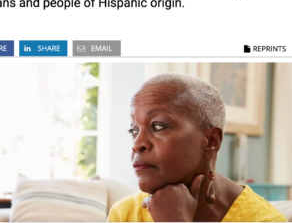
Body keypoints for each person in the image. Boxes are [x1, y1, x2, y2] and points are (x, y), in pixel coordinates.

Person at [107, 74, 287, 222]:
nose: (137, 144)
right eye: (134, 130)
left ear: (211, 141)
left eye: (158, 126)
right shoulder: (124, 214)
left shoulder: (265, 220)